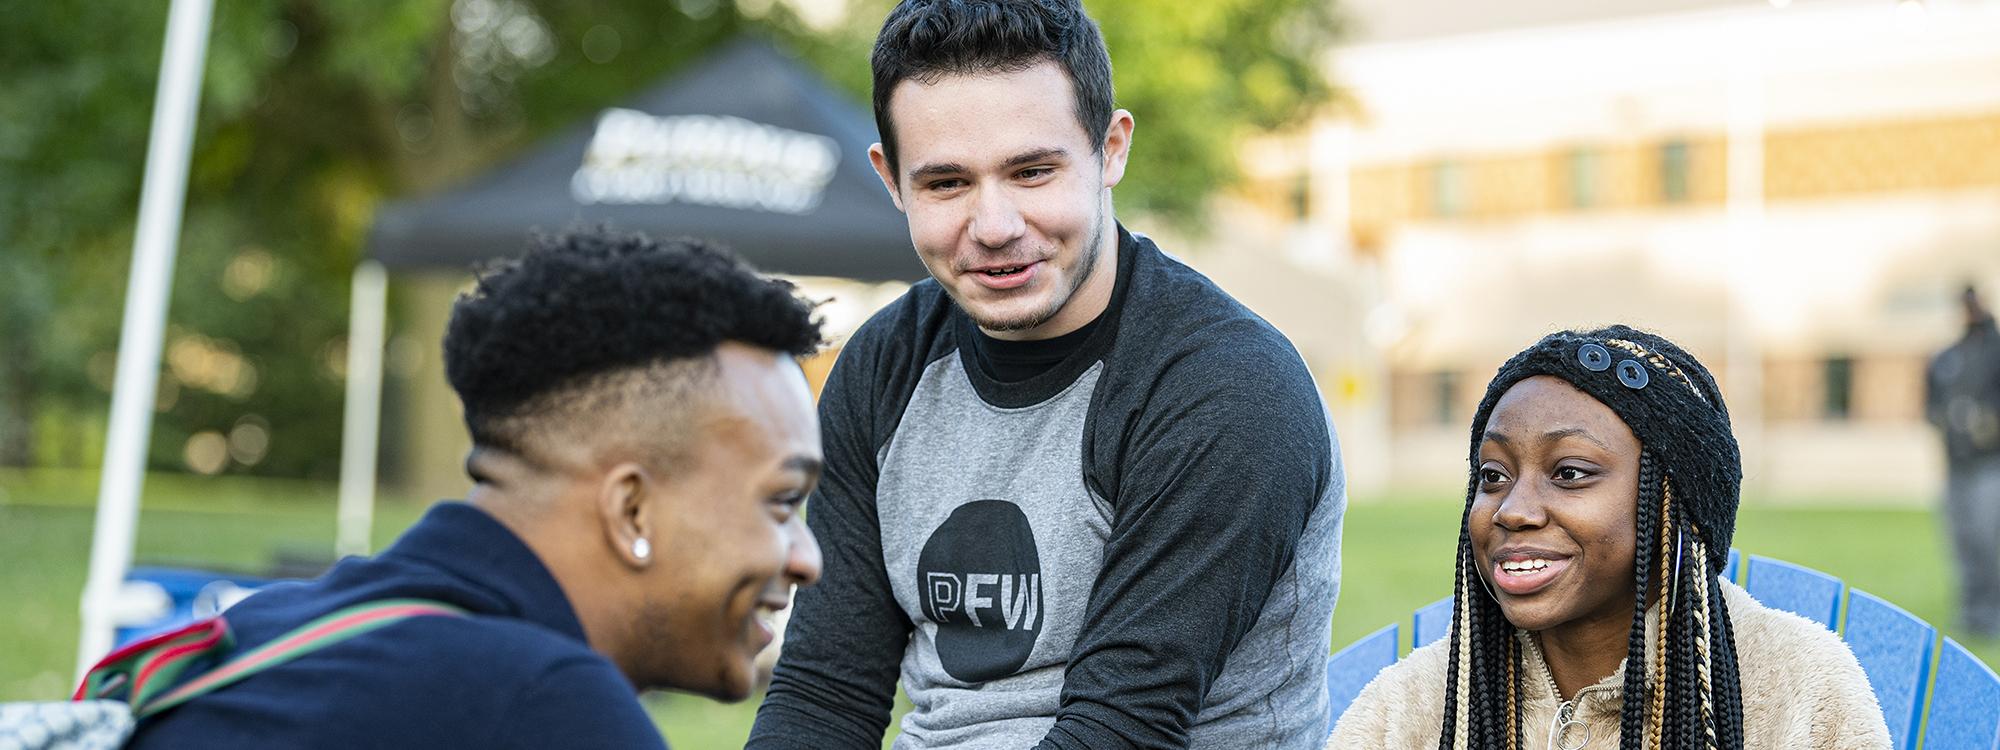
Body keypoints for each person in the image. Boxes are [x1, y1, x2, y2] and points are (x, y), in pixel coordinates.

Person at [748, 1, 1345, 748]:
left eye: (1032, 171)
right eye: (946, 184)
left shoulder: (1227, 387)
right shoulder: (882, 367)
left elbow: (1122, 728)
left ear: (1111, 149)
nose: (994, 225)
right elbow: (825, 694)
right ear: (891, 179)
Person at [128, 230, 826, 748]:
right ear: (631, 508)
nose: (807, 559)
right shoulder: (545, 708)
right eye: (782, 504)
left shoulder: (259, 633)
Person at [1330, 326, 1891, 749]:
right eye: (1494, 476)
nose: (1513, 510)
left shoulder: (1796, 688)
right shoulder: (1414, 706)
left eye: (1570, 472)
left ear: (1673, 503)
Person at [1928, 284, 2000, 638]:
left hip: (1989, 464)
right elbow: (1931, 405)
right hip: (1956, 464)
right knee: (1963, 538)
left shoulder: (1995, 352)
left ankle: (1993, 612)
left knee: (1990, 538)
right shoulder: (1948, 357)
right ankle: (1972, 612)